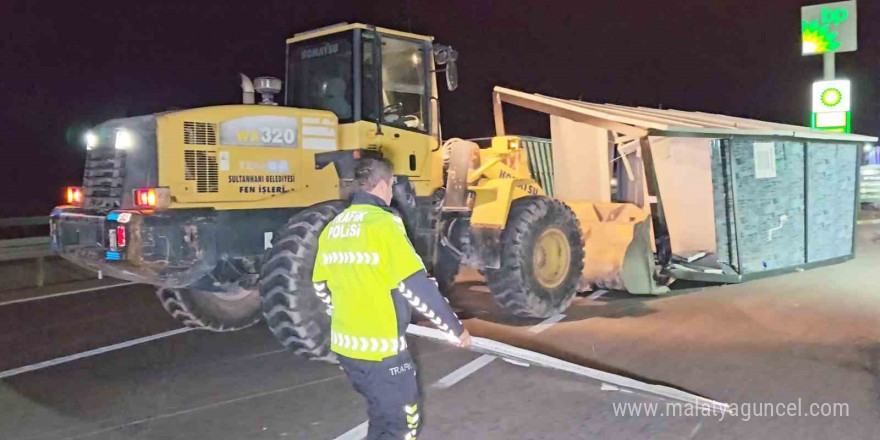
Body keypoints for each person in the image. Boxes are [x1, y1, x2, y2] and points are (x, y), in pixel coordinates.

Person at [312, 157, 471, 440]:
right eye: (393, 184)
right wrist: (454, 329)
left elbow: (321, 285)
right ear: (383, 184)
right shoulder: (384, 224)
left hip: (346, 348)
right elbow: (414, 285)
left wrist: (345, 313)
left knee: (381, 414)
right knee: (403, 425)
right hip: (382, 351)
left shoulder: (333, 227)